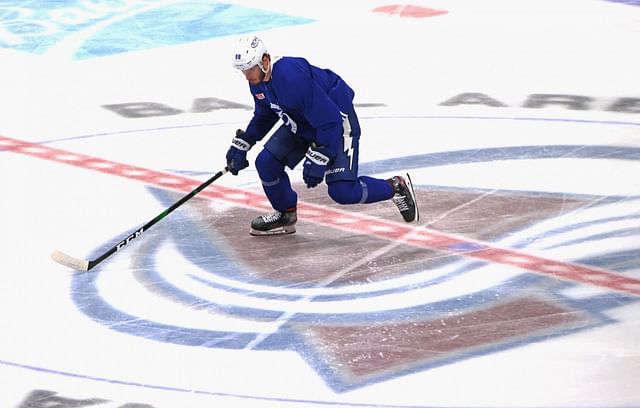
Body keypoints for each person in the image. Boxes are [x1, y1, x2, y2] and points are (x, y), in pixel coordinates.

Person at [225, 36, 418, 236]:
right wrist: (245, 141)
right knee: (266, 163)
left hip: (336, 122)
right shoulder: (257, 81)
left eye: (251, 69)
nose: (247, 76)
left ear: (265, 61)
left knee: (342, 191)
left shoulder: (290, 78)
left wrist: (320, 154)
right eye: (243, 71)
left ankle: (395, 187)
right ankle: (286, 214)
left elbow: (331, 120)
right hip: (304, 122)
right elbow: (265, 113)